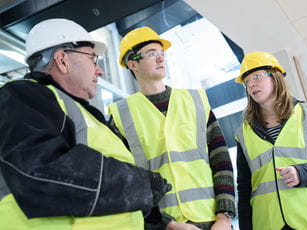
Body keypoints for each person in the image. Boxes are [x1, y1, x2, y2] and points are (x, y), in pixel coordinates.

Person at [0, 18, 171, 230]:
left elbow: (110, 204)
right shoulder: (22, 95)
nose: (99, 71)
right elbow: (41, 171)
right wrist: (141, 184)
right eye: (93, 59)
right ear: (62, 60)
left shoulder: (82, 113)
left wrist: (162, 225)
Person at [108, 26, 236, 230]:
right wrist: (166, 224)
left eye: (162, 53)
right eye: (152, 54)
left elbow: (221, 161)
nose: (161, 59)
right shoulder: (120, 115)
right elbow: (124, 181)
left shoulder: (196, 101)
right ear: (133, 64)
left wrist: (225, 216)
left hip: (213, 222)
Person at [234, 51, 307, 230]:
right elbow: (244, 188)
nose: (251, 84)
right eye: (246, 82)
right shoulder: (243, 132)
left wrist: (302, 173)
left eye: (257, 76)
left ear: (275, 77)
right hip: (268, 223)